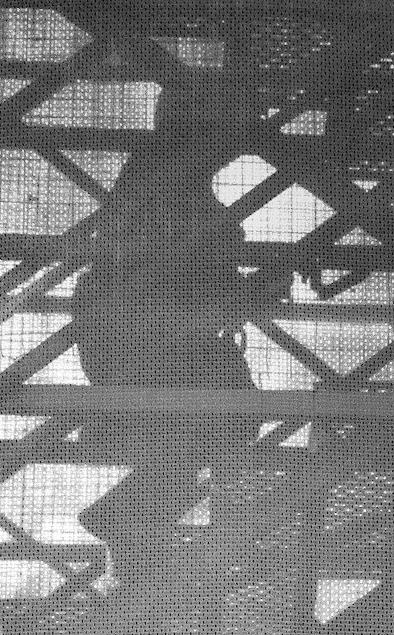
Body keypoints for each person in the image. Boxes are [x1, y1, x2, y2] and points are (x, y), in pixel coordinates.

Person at [66, 70, 258, 607]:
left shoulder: (166, 179)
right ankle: (129, 532)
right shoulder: (162, 181)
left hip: (143, 339)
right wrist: (239, 290)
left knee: (209, 430)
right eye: (227, 130)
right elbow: (167, 280)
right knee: (221, 423)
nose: (234, 142)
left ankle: (130, 534)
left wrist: (246, 283)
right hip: (137, 339)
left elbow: (189, 270)